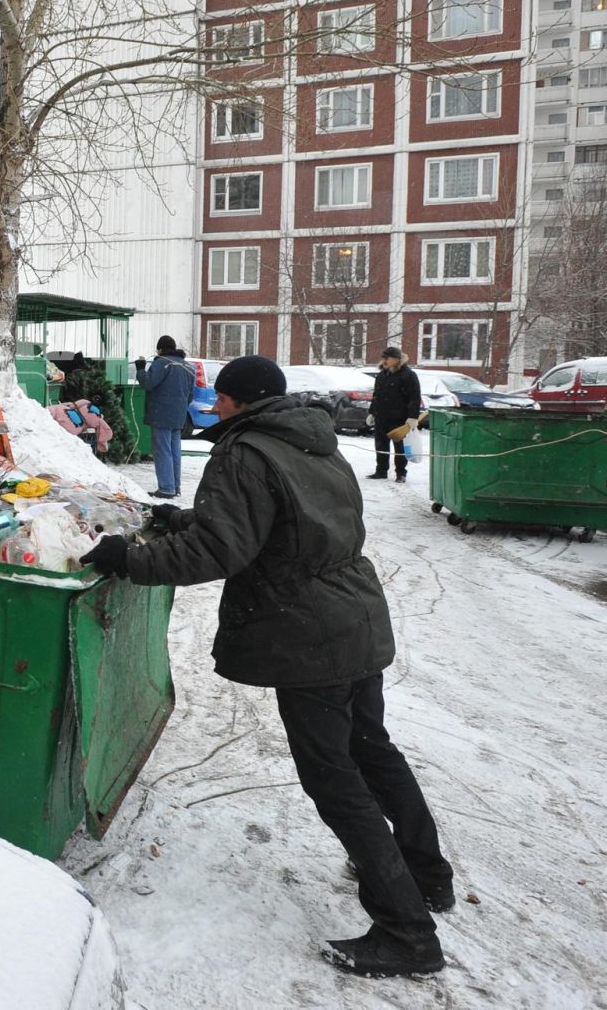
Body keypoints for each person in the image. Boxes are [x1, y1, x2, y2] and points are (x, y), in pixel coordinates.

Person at [81, 355, 452, 978]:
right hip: (355, 616)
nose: (214, 406)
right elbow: (280, 524)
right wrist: (184, 519)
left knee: (334, 775)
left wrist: (128, 558)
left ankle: (406, 932)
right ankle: (427, 875)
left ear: (238, 401)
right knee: (371, 747)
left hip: (310, 633)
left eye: (220, 398)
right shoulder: (314, 441)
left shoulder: (244, 452)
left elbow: (222, 551)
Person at [136, 335, 196, 500]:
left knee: (162, 451)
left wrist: (140, 369)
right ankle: (175, 486)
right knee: (175, 451)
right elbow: (191, 394)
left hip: (161, 415)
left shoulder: (162, 363)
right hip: (178, 416)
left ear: (161, 349)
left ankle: (166, 488)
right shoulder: (188, 367)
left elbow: (148, 383)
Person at [369, 347, 422, 483]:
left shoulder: (408, 375)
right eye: (383, 358)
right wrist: (371, 412)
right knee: (381, 445)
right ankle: (381, 471)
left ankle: (401, 473)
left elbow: (414, 398)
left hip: (399, 418)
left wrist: (412, 417)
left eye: (388, 358)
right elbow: (376, 396)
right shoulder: (382, 375)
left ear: (397, 359)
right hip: (381, 416)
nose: (384, 361)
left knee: (400, 447)